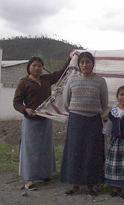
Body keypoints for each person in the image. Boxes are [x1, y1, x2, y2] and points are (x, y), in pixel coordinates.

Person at [13, 52, 73, 191]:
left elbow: (60, 73)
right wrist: (25, 109)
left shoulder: (46, 79)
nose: (37, 68)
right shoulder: (23, 82)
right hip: (30, 121)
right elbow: (16, 103)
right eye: (34, 65)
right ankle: (29, 179)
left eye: (40, 66)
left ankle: (45, 174)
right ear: (29, 68)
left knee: (45, 148)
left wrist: (70, 58)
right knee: (30, 150)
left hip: (46, 119)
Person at [60, 51, 108, 196]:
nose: (85, 65)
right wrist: (76, 111)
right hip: (76, 120)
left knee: (93, 153)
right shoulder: (72, 80)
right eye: (82, 62)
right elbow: (66, 101)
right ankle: (75, 185)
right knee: (75, 152)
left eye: (88, 62)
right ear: (79, 64)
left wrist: (92, 111)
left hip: (93, 121)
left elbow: (104, 103)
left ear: (93, 64)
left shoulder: (100, 81)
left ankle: (92, 185)